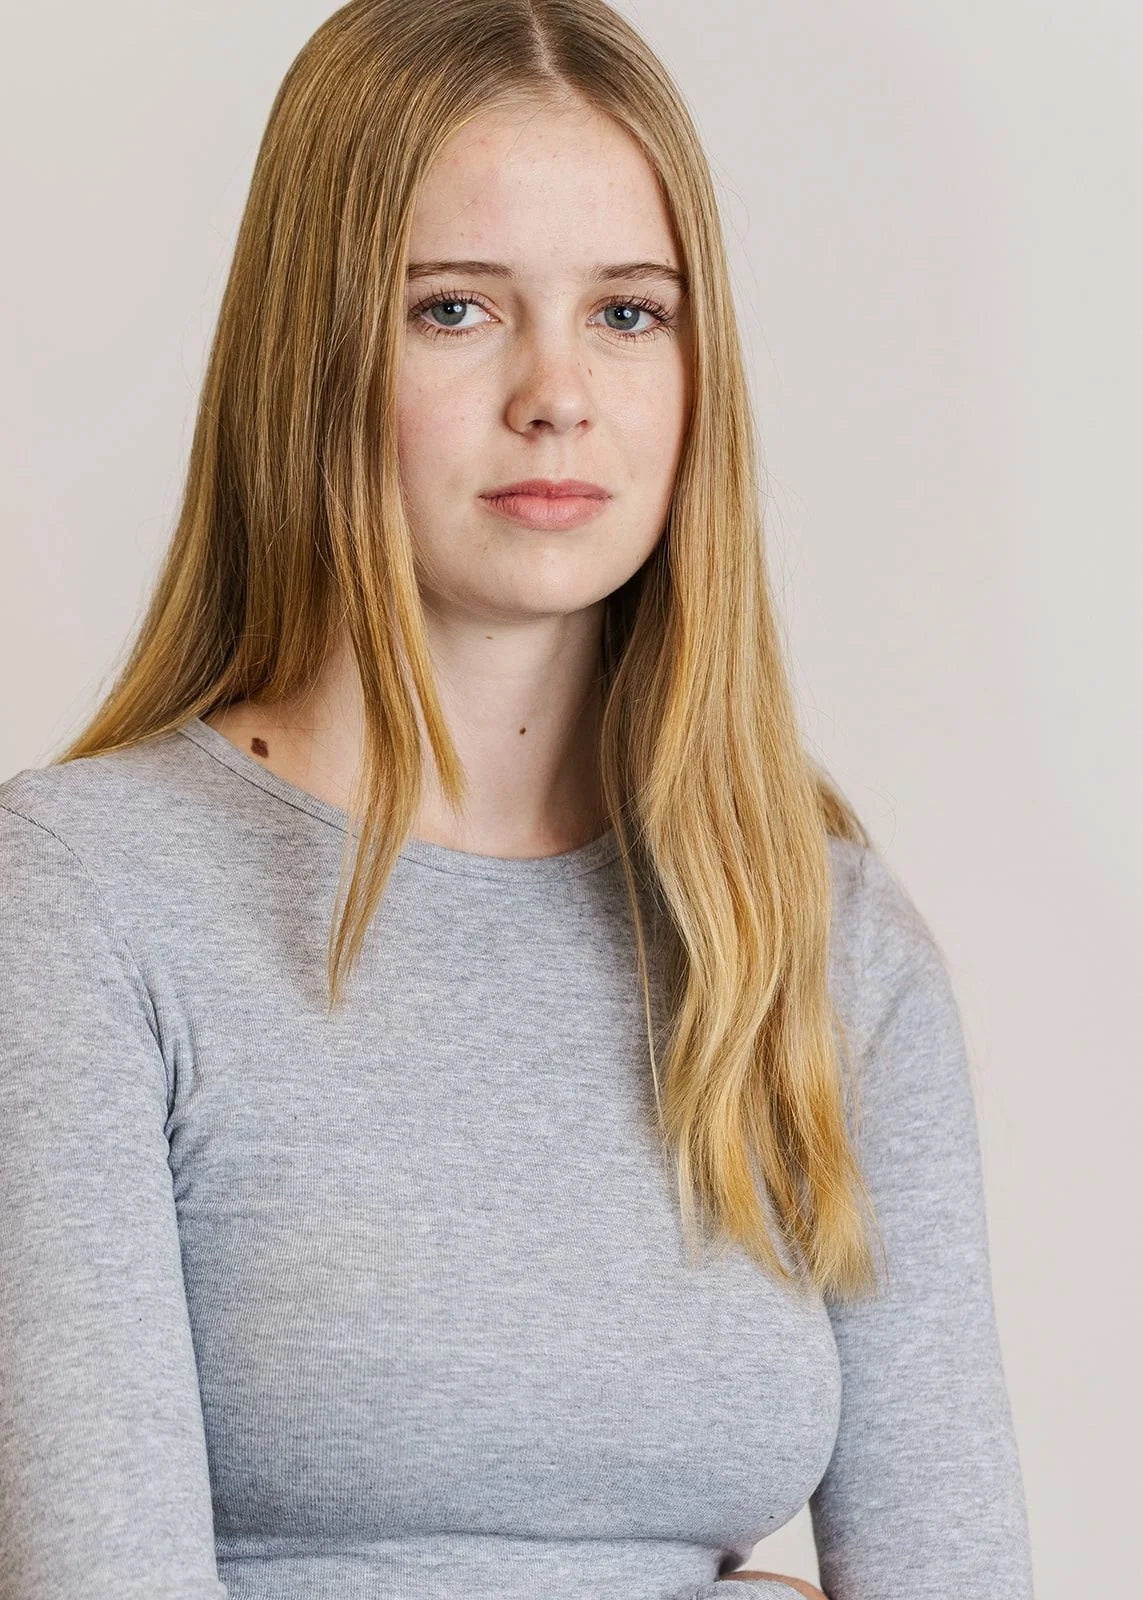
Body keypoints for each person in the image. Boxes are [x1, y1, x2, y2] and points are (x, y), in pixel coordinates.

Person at [0, 2, 1035, 1597]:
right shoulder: (82, 899)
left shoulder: (825, 942)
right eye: (456, 309)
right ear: (318, 352)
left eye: (629, 313)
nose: (557, 393)